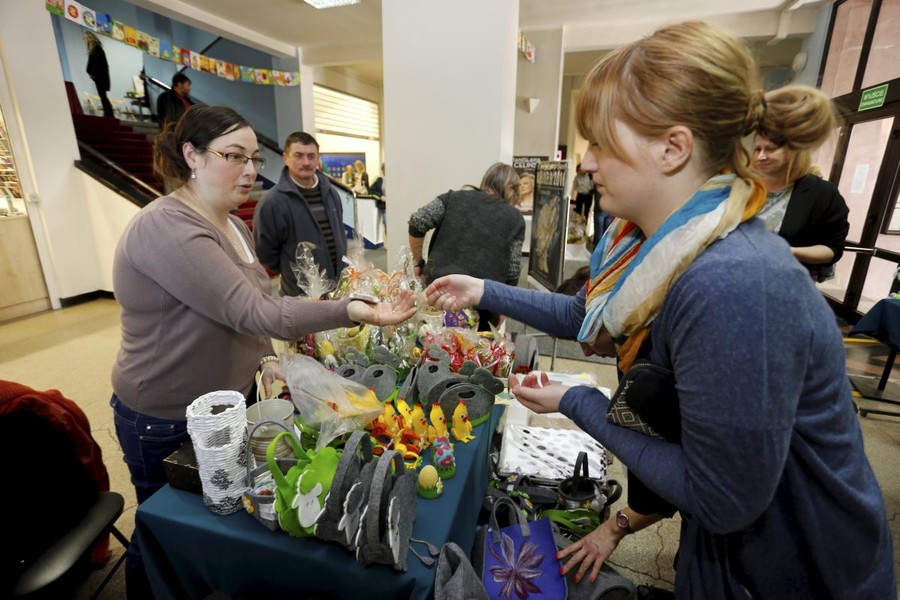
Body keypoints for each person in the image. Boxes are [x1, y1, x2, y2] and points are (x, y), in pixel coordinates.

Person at [425, 21, 895, 598]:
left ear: (672, 147)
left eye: (599, 142)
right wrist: (482, 289)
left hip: (796, 570)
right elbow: (586, 316)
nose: (588, 163)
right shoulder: (661, 248)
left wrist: (579, 402)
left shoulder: (733, 283)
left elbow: (722, 499)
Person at [111, 104, 415, 599]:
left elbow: (245, 312)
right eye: (234, 156)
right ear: (191, 155)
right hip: (165, 415)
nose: (251, 170)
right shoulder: (167, 228)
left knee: (218, 526)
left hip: (226, 400)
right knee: (163, 538)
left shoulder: (233, 224)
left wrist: (266, 357)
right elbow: (254, 310)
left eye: (254, 158)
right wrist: (352, 310)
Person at [409, 162, 525, 331]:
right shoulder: (515, 218)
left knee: (429, 349)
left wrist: (418, 261)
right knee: (475, 354)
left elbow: (417, 222)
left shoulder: (453, 198)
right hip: (482, 304)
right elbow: (512, 272)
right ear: (509, 188)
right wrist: (503, 307)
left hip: (438, 296)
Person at [753, 85, 850, 283]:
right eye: (757, 149)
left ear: (795, 150)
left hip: (785, 284)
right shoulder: (744, 184)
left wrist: (788, 251)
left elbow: (832, 248)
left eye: (770, 149)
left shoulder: (822, 194)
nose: (761, 156)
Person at [253, 131, 348, 296]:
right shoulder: (273, 202)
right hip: (300, 297)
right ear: (285, 158)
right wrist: (295, 274)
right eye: (298, 156)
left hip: (338, 291)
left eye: (311, 156)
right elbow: (266, 254)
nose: (306, 162)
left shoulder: (332, 194)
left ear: (318, 159)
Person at [84, 31, 113, 118]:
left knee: (103, 95)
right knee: (102, 95)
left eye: (86, 39)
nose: (85, 41)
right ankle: (108, 112)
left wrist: (93, 73)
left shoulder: (96, 49)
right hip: (100, 76)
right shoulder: (97, 49)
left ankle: (109, 113)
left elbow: (97, 63)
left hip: (100, 77)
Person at [370, 163, 386, 231]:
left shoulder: (396, 178)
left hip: (397, 206)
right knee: (387, 224)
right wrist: (380, 196)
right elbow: (371, 190)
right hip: (384, 207)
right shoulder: (379, 179)